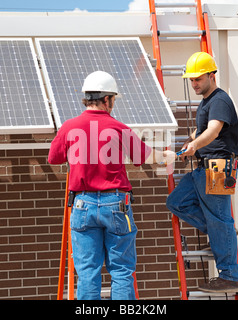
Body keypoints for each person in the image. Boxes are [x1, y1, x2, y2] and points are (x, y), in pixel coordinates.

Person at [48, 71, 177, 300]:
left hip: (82, 205)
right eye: (114, 100)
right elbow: (145, 156)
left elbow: (53, 158)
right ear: (107, 99)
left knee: (87, 274)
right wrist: (166, 156)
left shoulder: (69, 127)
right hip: (116, 205)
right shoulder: (118, 127)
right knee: (121, 272)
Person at [166, 52, 238, 293]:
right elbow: (200, 132)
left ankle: (229, 275)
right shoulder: (206, 102)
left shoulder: (219, 100)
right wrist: (184, 148)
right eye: (191, 80)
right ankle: (222, 231)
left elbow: (212, 131)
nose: (194, 84)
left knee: (220, 219)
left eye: (198, 79)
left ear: (212, 75)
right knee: (176, 202)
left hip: (219, 167)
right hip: (204, 168)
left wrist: (195, 144)